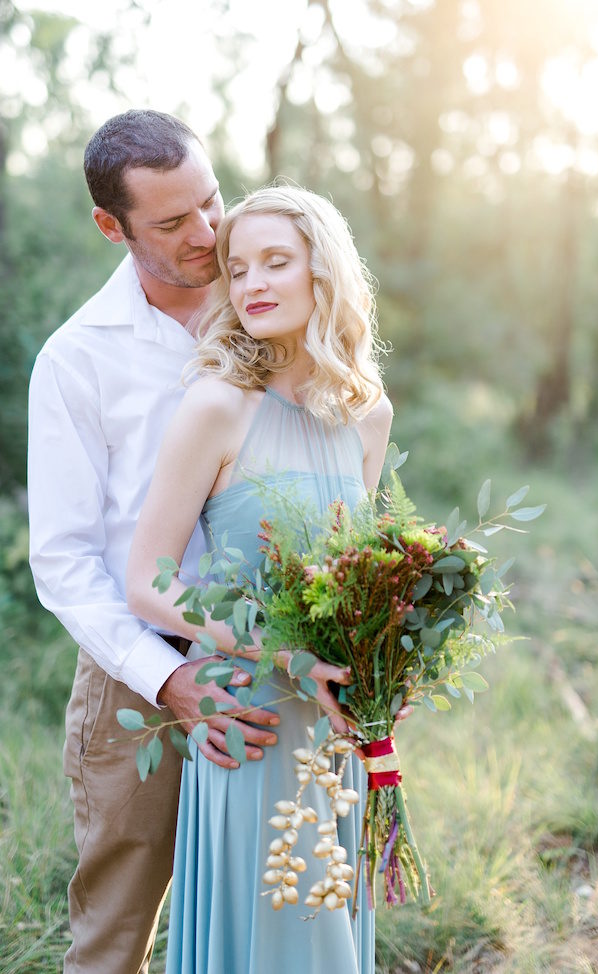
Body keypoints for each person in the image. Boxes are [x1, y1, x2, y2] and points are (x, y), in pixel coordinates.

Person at [27, 110, 281, 974]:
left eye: (211, 201)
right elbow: (63, 562)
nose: (208, 233)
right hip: (136, 673)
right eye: (172, 223)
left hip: (275, 656)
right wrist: (170, 679)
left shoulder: (272, 310)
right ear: (112, 226)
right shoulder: (77, 360)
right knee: (116, 934)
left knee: (274, 901)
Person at [126, 184, 393, 974]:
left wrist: (384, 670)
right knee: (284, 938)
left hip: (336, 731)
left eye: (276, 262)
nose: (252, 285)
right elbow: (148, 583)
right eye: (237, 270)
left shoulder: (366, 412)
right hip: (253, 721)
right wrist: (281, 652)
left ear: (325, 271)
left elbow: (355, 582)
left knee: (328, 928)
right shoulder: (216, 407)